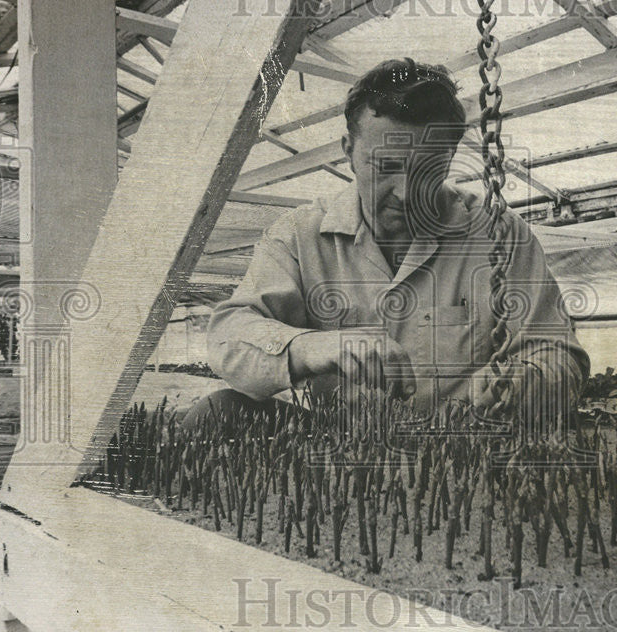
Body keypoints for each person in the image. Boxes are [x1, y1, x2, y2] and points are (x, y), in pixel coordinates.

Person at [183, 57, 589, 433]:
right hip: (338, 441)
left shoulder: (501, 235)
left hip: (462, 442)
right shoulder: (297, 236)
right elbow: (228, 337)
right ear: (349, 153)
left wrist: (520, 384)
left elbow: (560, 358)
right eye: (387, 166)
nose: (407, 192)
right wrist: (309, 346)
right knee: (214, 414)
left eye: (429, 169)